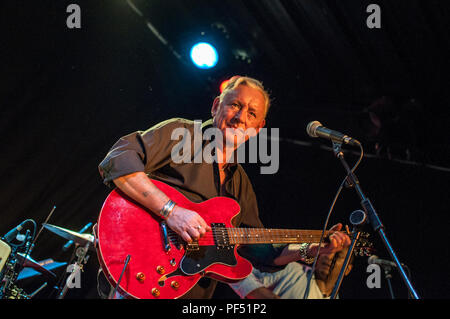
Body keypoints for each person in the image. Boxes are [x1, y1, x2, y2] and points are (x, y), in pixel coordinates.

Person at [97, 75, 350, 299]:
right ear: (217, 106)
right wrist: (172, 211)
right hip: (139, 270)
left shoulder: (240, 187)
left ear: (257, 129)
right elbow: (118, 160)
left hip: (188, 291)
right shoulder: (183, 134)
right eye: (235, 105)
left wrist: (310, 249)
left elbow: (263, 254)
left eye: (252, 113)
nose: (241, 118)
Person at [229, 227, 354, 299]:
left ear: (348, 269)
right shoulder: (291, 269)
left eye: (337, 253)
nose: (329, 257)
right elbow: (233, 269)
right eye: (329, 249)